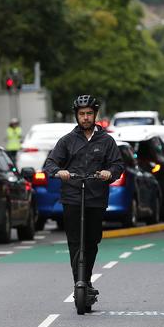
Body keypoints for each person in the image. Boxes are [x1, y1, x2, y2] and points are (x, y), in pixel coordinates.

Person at [43, 94, 124, 296]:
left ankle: (86, 279)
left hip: (96, 197)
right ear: (76, 116)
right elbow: (50, 163)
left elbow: (118, 165)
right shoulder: (67, 141)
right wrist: (58, 172)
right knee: (75, 242)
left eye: (89, 113)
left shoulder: (106, 141)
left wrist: (109, 173)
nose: (85, 117)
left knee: (92, 240)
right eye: (82, 114)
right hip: (72, 196)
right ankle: (80, 282)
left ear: (95, 115)